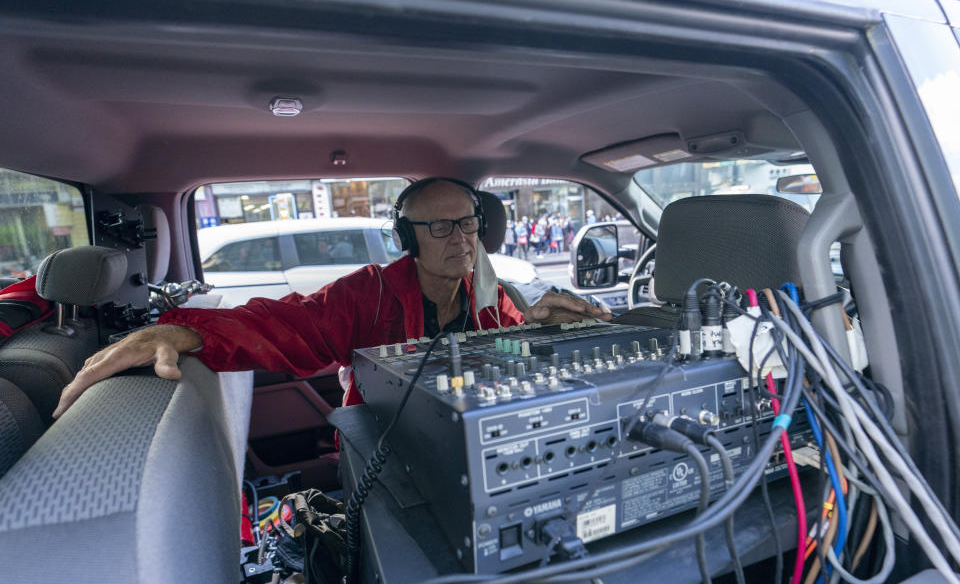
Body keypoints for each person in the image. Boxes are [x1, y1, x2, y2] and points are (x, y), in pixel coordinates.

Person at [53, 178, 611, 417]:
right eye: (439, 228)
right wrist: (173, 330)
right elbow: (281, 324)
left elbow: (507, 352)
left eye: (467, 223)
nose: (461, 239)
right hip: (386, 444)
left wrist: (538, 328)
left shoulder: (492, 296)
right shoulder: (365, 294)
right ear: (406, 239)